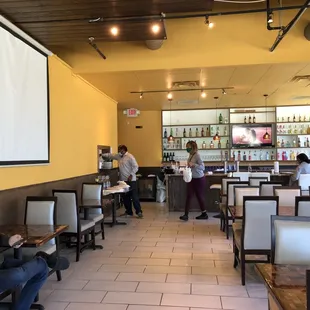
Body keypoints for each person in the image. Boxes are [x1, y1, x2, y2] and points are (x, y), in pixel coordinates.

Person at [0, 233, 70, 310]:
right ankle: (41, 259)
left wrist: (8, 241)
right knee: (18, 275)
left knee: (42, 271)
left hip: (2, 262)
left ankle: (41, 260)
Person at [103, 145, 143, 218]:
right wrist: (102, 155)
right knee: (125, 197)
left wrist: (131, 175)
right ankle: (129, 212)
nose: (119, 152)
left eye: (120, 150)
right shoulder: (119, 156)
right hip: (123, 181)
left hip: (131, 180)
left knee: (134, 197)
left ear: (124, 150)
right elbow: (111, 156)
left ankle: (139, 212)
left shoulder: (130, 157)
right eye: (118, 150)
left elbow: (136, 167)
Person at [180, 140, 208, 221]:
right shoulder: (190, 155)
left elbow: (202, 167)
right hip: (192, 178)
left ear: (193, 147)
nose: (187, 148)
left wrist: (194, 165)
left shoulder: (197, 155)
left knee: (199, 196)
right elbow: (190, 166)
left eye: (188, 147)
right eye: (186, 147)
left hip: (199, 179)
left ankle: (204, 213)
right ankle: (186, 215)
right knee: (189, 196)